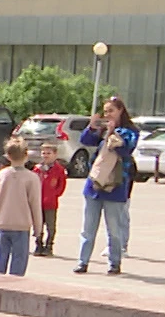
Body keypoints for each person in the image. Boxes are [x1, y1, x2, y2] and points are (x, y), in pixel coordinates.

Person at [75, 96, 139, 276]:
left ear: (120, 111)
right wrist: (92, 126)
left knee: (114, 229)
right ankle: (83, 262)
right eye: (105, 111)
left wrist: (113, 134)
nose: (107, 114)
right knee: (88, 228)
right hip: (95, 184)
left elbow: (127, 149)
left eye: (111, 110)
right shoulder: (102, 128)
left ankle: (114, 263)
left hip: (116, 185)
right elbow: (86, 140)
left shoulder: (129, 131)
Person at [0, 141, 42, 277]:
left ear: (8, 156)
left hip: (3, 222)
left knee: (1, 257)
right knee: (19, 259)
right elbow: (35, 204)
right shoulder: (32, 178)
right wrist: (38, 227)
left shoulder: (1, 175)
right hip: (21, 225)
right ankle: (15, 286)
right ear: (26, 155)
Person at [34, 142, 68, 257]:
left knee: (50, 226)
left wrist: (54, 194)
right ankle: (38, 244)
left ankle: (49, 245)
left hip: (51, 203)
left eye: (48, 153)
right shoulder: (37, 169)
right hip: (38, 203)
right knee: (38, 225)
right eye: (43, 153)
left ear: (55, 154)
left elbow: (61, 185)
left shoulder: (59, 170)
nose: (45, 155)